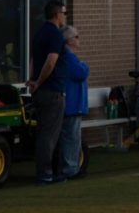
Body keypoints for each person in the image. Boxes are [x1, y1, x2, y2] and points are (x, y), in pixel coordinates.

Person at [27, 0, 68, 184]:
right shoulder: (55, 35)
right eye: (64, 13)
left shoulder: (39, 33)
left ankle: (53, 171)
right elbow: (50, 61)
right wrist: (39, 81)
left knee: (46, 132)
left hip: (41, 91)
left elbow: (34, 60)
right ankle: (45, 173)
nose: (65, 17)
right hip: (51, 91)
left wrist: (32, 79)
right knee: (48, 135)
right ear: (56, 14)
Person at [58, 25, 89, 180]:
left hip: (73, 104)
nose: (78, 39)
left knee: (73, 137)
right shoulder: (68, 56)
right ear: (68, 41)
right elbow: (80, 72)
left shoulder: (69, 56)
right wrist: (85, 65)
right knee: (71, 138)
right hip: (71, 104)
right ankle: (70, 169)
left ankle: (72, 167)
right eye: (76, 37)